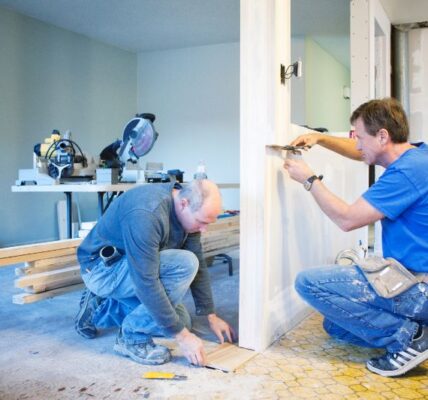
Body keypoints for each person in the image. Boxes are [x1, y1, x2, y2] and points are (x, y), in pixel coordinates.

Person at [283, 98, 428, 377]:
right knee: (335, 325)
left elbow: (347, 220)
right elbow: (362, 151)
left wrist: (309, 180)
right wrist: (320, 138)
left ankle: (408, 337)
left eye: (360, 137)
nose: (357, 144)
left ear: (383, 135)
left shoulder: (407, 172)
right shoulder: (416, 156)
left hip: (419, 286)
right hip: (414, 278)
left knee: (308, 284)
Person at [74, 179, 235, 366]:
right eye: (201, 222)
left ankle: (102, 307)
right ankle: (131, 337)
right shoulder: (146, 213)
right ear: (184, 204)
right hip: (102, 270)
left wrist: (210, 315)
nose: (203, 229)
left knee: (181, 321)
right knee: (184, 264)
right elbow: (146, 280)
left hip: (133, 268)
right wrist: (183, 338)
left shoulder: (188, 213)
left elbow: (199, 263)